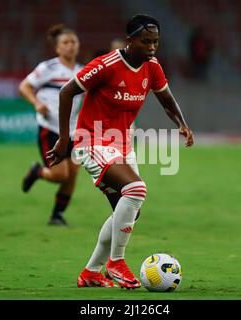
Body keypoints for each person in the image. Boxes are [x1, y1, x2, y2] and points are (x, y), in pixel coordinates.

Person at [47, 14, 194, 288]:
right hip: (91, 141)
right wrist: (64, 140)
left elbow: (166, 98)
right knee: (136, 189)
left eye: (156, 42)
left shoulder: (152, 66)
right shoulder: (107, 65)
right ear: (130, 40)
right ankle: (116, 262)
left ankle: (91, 272)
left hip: (122, 144)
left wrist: (182, 124)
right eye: (146, 41)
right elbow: (66, 92)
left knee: (128, 212)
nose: (151, 47)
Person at [19, 24, 83, 226]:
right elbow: (24, 86)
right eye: (66, 42)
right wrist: (36, 102)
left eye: (73, 42)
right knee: (59, 174)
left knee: (72, 175)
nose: (70, 46)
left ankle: (57, 215)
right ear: (57, 48)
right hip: (51, 128)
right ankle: (36, 172)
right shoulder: (48, 68)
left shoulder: (82, 71)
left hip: (73, 130)